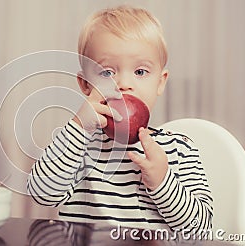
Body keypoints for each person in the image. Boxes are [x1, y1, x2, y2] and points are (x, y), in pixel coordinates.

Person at [27, 5, 213, 233]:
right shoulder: (76, 145)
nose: (124, 84)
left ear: (161, 82)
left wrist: (163, 181)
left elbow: (200, 229)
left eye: (140, 72)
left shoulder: (179, 149)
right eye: (107, 72)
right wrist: (78, 127)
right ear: (86, 85)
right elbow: (41, 193)